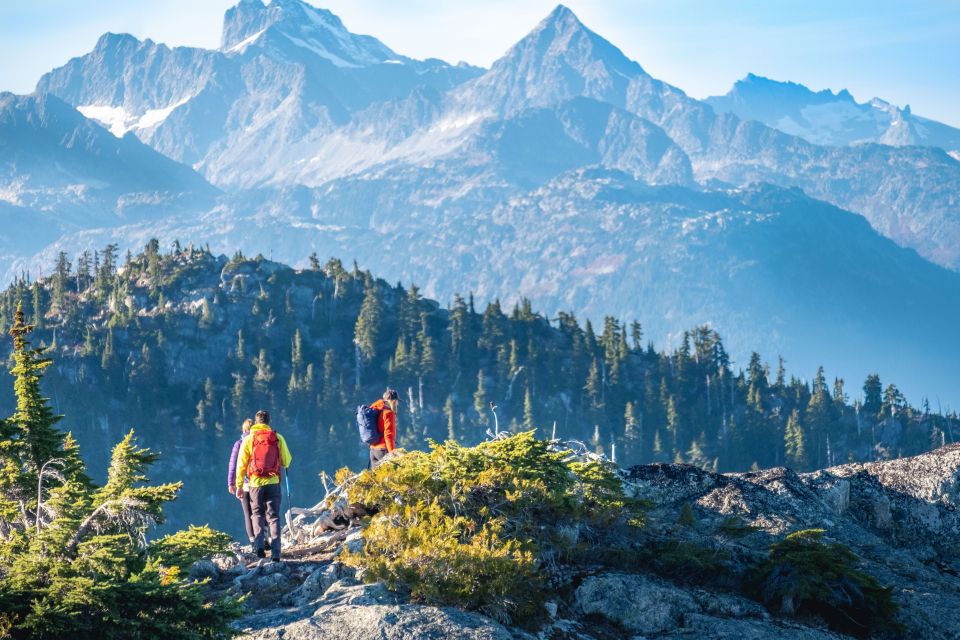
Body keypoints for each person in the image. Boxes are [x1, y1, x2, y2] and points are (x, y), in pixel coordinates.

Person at [235, 410, 292, 562]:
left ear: (256, 421)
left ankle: (259, 547)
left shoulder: (249, 439)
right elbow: (287, 461)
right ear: (268, 421)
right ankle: (276, 552)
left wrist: (239, 485)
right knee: (273, 517)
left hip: (255, 484)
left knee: (257, 514)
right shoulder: (277, 437)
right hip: (273, 483)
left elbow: (241, 465)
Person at [228, 418, 257, 545]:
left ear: (244, 430)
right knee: (259, 512)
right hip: (258, 482)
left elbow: (233, 465)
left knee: (248, 514)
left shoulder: (239, 444)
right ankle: (263, 538)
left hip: (244, 484)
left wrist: (231, 483)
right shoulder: (258, 442)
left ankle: (252, 541)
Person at [368, 388, 399, 469]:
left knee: (377, 478)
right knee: (391, 477)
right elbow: (388, 435)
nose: (397, 404)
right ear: (393, 401)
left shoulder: (377, 410)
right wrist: (392, 453)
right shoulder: (389, 413)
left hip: (373, 450)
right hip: (383, 450)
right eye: (396, 401)